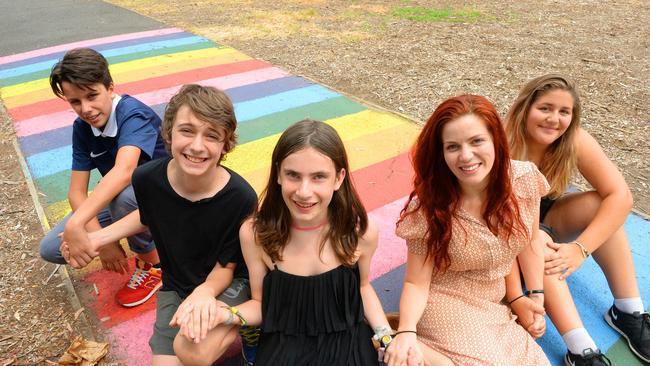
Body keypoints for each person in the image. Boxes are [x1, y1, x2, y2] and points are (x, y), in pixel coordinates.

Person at [63, 84, 258, 366]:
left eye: (211, 135)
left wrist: (204, 294)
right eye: (187, 130)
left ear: (225, 144)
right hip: (177, 284)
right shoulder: (147, 178)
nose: (197, 146)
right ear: (168, 133)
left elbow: (226, 267)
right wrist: (96, 240)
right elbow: (148, 215)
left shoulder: (240, 197)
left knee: (195, 352)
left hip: (226, 283)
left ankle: (246, 324)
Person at [385, 95, 550, 366]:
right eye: (452, 146)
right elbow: (416, 282)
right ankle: (400, 337)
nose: (465, 155)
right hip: (443, 298)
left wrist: (529, 297)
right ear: (441, 153)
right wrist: (407, 331)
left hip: (493, 301)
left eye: (476, 141)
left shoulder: (524, 180)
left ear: (495, 139)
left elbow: (530, 243)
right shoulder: (429, 207)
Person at [221, 119, 397, 365]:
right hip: (284, 349)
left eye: (318, 177)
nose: (304, 191)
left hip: (348, 347)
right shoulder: (254, 234)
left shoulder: (360, 232)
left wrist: (385, 334)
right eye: (293, 175)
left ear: (338, 178)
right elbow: (261, 304)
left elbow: (362, 288)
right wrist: (226, 315)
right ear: (278, 174)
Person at [505, 74, 649, 365]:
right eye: (545, 108)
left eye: (564, 111)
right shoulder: (501, 141)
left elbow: (621, 196)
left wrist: (580, 248)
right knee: (543, 245)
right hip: (506, 229)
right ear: (525, 107)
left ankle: (628, 311)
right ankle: (580, 349)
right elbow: (500, 222)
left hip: (548, 215)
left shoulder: (573, 139)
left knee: (602, 204)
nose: (553, 119)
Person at [42, 47, 167, 307]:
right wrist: (103, 242)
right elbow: (76, 192)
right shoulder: (83, 128)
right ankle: (133, 239)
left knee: (125, 194)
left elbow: (124, 172)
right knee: (52, 248)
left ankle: (154, 266)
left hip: (167, 196)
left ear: (110, 87)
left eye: (92, 95)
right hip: (127, 200)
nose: (86, 108)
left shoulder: (133, 114)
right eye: (75, 101)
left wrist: (82, 227)